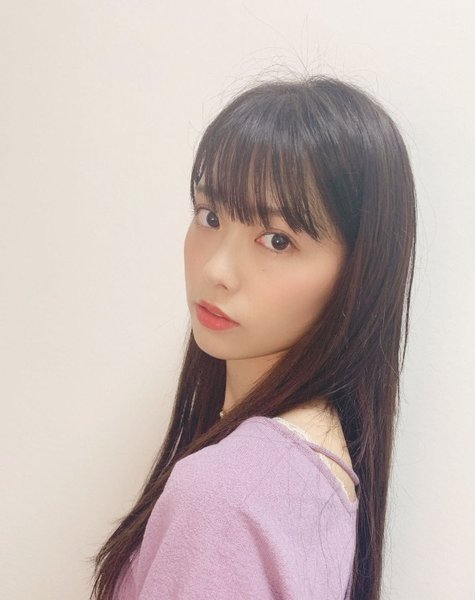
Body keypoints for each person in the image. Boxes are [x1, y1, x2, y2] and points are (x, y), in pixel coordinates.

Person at [90, 74, 417, 600]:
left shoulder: (227, 495)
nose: (216, 269)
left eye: (277, 240)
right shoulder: (320, 465)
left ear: (358, 274)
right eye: (210, 216)